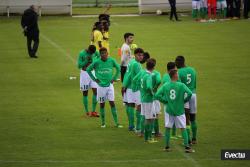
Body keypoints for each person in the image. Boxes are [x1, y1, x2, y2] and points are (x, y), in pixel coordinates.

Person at [155, 69, 194, 153]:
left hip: (169, 110)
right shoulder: (181, 85)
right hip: (180, 110)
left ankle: (167, 147)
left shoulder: (166, 85)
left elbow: (157, 95)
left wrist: (165, 101)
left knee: (168, 128)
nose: (178, 75)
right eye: (177, 74)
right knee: (183, 128)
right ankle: (187, 147)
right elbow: (190, 93)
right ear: (175, 76)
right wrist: (184, 100)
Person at [87, 47, 122, 128]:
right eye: (102, 53)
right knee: (102, 105)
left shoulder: (111, 60)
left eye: (105, 53)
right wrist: (94, 79)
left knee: (112, 103)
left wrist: (114, 78)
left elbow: (118, 68)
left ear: (107, 53)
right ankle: (103, 123)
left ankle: (116, 123)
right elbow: (88, 69)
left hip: (110, 86)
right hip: (101, 87)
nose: (104, 55)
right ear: (100, 54)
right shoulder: (96, 62)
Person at [175, 56, 197, 144]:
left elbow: (179, 86)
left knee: (186, 119)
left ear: (180, 62)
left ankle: (188, 140)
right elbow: (195, 84)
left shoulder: (179, 72)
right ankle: (194, 138)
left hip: (184, 95)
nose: (175, 64)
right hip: (193, 94)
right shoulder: (193, 70)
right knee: (193, 118)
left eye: (176, 62)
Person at [122, 48, 144, 131]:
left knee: (129, 105)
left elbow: (128, 74)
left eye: (142, 55)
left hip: (128, 86)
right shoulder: (137, 65)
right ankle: (138, 126)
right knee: (139, 106)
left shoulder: (131, 62)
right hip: (135, 88)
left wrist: (124, 85)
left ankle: (131, 125)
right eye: (139, 55)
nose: (141, 57)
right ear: (135, 55)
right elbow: (139, 78)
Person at [139, 59, 159, 143]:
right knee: (149, 119)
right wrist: (152, 93)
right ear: (153, 67)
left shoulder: (143, 74)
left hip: (143, 98)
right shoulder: (149, 76)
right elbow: (148, 87)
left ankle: (147, 137)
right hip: (148, 100)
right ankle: (149, 138)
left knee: (148, 118)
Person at [77, 45, 100, 117]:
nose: (91, 54)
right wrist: (86, 60)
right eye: (90, 53)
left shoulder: (95, 52)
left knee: (96, 91)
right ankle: (87, 111)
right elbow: (79, 65)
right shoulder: (82, 53)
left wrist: (94, 60)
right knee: (85, 92)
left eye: (92, 53)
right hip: (84, 74)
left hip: (92, 72)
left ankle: (93, 111)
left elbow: (99, 56)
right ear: (88, 50)